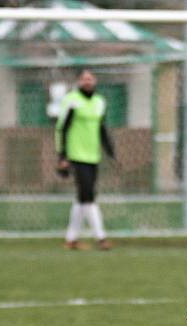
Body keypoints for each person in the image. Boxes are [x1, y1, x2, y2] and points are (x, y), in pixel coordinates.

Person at [55, 68, 115, 250]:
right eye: (84, 79)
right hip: (76, 156)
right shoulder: (72, 101)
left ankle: (71, 239)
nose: (88, 82)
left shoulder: (99, 102)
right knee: (88, 196)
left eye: (90, 79)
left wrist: (110, 151)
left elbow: (102, 129)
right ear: (79, 82)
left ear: (95, 81)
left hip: (92, 156)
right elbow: (61, 128)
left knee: (83, 198)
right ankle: (101, 238)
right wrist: (62, 156)